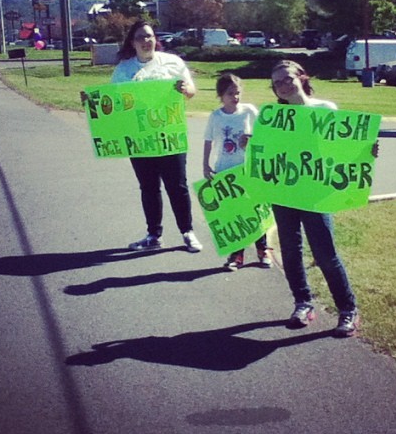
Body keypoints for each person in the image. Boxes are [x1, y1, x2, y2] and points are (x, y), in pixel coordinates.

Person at [269, 59, 372, 336]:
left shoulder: (325, 109)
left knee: (325, 253)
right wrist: (250, 143)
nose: (283, 86)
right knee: (290, 252)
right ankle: (303, 303)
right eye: (276, 83)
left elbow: (343, 149)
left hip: (316, 193)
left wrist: (365, 150)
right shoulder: (273, 119)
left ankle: (348, 310)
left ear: (301, 77)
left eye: (287, 78)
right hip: (284, 192)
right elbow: (266, 155)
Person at [84, 20, 203, 253]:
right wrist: (94, 103)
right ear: (132, 42)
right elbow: (114, 104)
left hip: (169, 136)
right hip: (140, 140)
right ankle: (153, 234)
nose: (146, 41)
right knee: (148, 187)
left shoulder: (172, 62)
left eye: (149, 36)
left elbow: (191, 91)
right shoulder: (124, 69)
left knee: (177, 186)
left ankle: (187, 232)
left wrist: (184, 90)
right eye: (140, 37)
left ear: (155, 38)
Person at [203, 73, 273, 271]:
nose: (235, 97)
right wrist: (205, 165)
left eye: (237, 93)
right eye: (230, 93)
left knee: (256, 211)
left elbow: (264, 134)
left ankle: (262, 250)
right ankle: (236, 255)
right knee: (234, 214)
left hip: (248, 170)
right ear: (220, 95)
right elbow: (208, 141)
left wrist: (252, 139)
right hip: (226, 171)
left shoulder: (249, 111)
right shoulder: (216, 116)